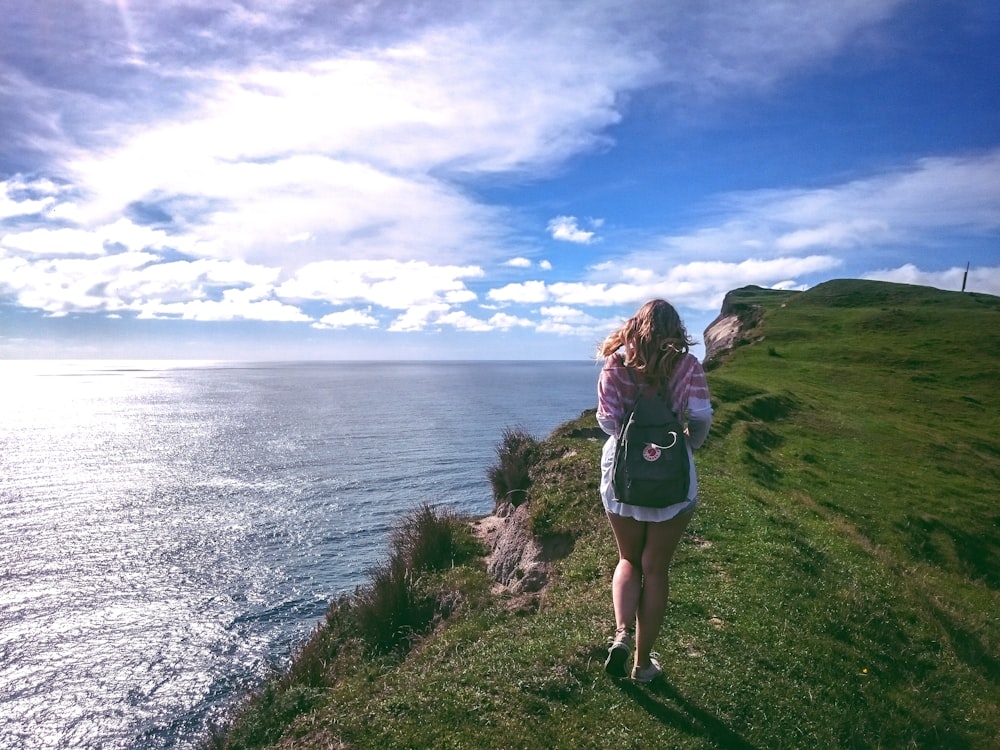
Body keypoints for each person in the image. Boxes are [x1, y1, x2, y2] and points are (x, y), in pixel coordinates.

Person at [596, 299, 713, 682]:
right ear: (676, 330)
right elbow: (700, 418)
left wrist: (635, 445)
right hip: (672, 477)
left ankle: (621, 635)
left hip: (623, 475)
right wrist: (685, 446)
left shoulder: (616, 364)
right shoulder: (688, 366)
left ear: (635, 327)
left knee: (628, 560)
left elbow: (608, 421)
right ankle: (642, 665)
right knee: (656, 568)